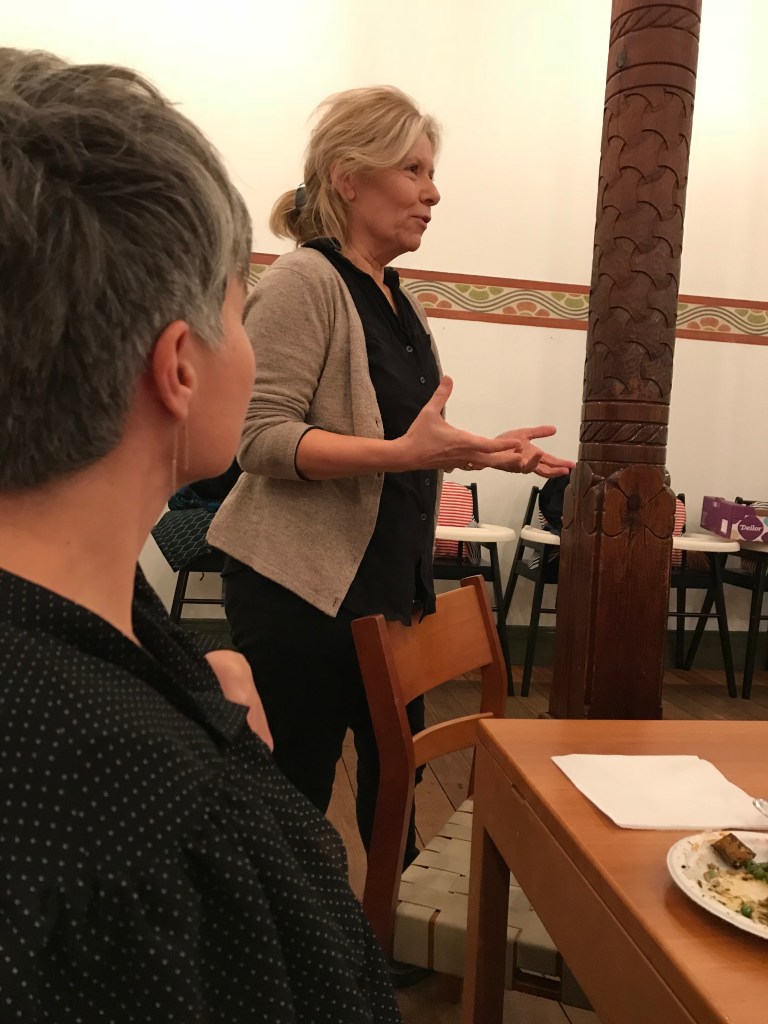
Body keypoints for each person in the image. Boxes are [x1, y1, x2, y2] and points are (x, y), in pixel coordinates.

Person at [0, 49, 401, 1023]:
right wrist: (217, 775)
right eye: (238, 306)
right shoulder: (181, 831)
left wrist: (172, 689)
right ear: (178, 366)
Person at [209, 86, 573, 884]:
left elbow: (404, 441)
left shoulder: (399, 299)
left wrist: (480, 452)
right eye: (413, 170)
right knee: (294, 798)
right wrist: (406, 453)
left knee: (395, 783)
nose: (432, 193)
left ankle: (387, 925)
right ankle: (295, 938)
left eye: (431, 172)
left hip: (389, 590)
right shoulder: (306, 281)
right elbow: (258, 440)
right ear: (348, 177)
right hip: (301, 591)